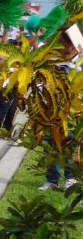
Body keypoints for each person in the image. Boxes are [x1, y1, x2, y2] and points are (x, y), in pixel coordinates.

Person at [40, 31, 79, 191]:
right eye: (63, 42)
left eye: (69, 42)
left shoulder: (81, 61)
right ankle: (52, 180)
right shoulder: (53, 61)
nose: (66, 46)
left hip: (74, 112)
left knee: (71, 144)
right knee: (51, 144)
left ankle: (71, 178)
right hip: (52, 110)